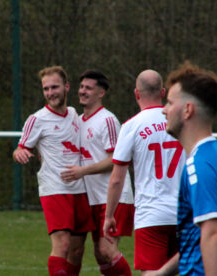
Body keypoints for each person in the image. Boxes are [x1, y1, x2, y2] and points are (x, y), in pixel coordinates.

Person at [156, 62, 217, 276]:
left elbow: (214, 234)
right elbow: (198, 235)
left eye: (170, 102)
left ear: (187, 110)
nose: (164, 110)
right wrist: (161, 273)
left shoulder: (200, 165)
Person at [13, 66, 94, 276]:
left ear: (66, 87)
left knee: (77, 250)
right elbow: (21, 147)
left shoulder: (75, 114)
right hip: (55, 189)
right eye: (46, 89)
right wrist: (20, 153)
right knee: (63, 245)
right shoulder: (37, 119)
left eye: (54, 87)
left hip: (80, 189)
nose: (50, 93)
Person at [103, 69, 185, 275]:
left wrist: (109, 215)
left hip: (151, 214)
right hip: (184, 212)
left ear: (136, 94)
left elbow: (117, 178)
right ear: (163, 92)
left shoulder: (131, 126)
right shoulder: (183, 122)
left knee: (151, 272)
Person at [60, 70, 134, 276]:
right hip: (92, 197)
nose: (82, 91)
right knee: (98, 254)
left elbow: (115, 160)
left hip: (114, 195)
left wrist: (83, 171)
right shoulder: (77, 121)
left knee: (106, 249)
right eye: (81, 87)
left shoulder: (107, 120)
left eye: (88, 88)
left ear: (101, 93)